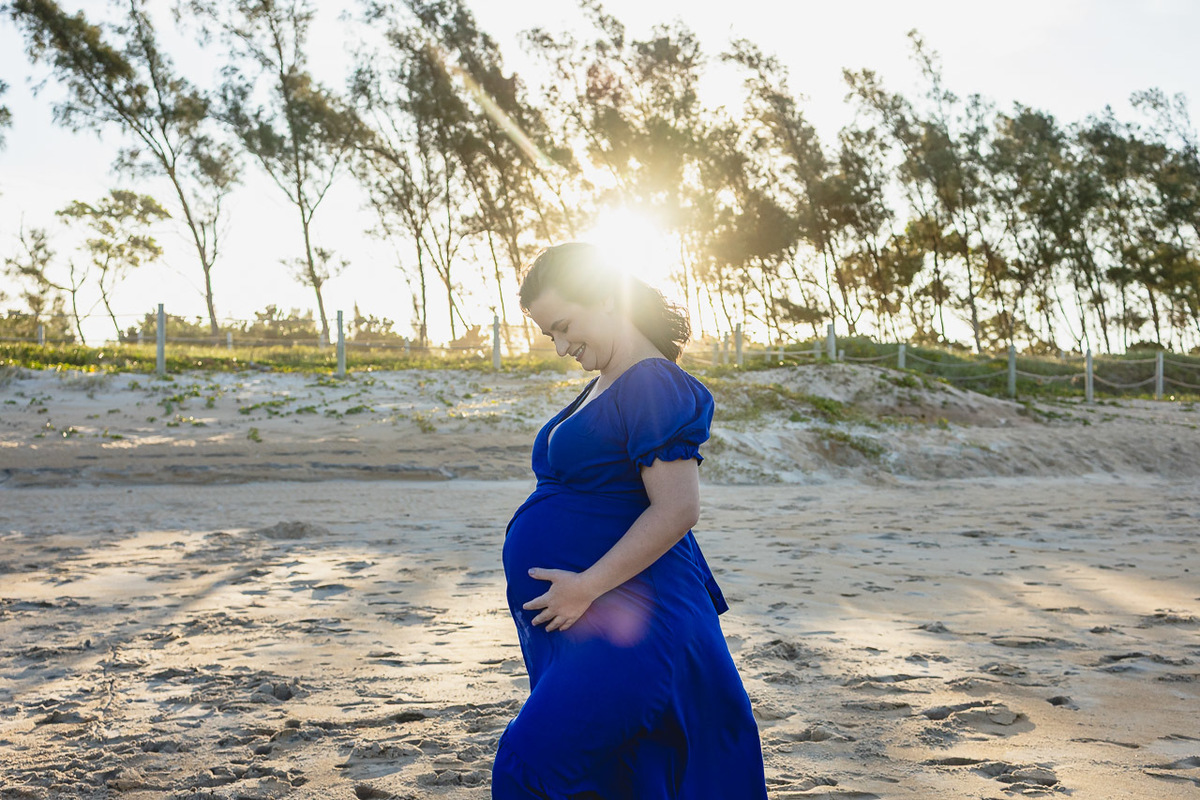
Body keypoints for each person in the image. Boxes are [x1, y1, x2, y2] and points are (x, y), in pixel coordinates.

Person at [492, 242, 768, 798]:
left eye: (566, 326)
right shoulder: (610, 378)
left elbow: (678, 508)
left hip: (636, 613)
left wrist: (584, 587)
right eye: (552, 335)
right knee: (619, 769)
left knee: (530, 764)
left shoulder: (650, 380)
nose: (563, 346)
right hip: (599, 614)